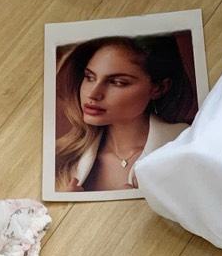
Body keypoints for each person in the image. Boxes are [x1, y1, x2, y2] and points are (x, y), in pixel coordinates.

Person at [55, 34, 195, 192]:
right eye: (90, 77)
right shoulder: (61, 157)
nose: (92, 94)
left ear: (158, 88)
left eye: (118, 82)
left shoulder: (185, 147)